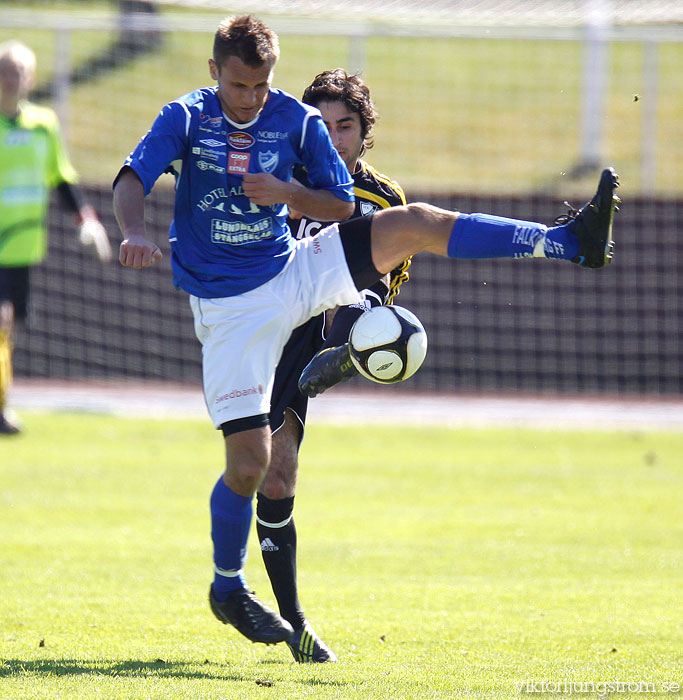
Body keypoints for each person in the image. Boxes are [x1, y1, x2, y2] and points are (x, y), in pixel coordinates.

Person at [113, 14, 620, 650]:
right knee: (251, 465)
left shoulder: (293, 120)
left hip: (293, 272)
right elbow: (132, 177)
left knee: (417, 221)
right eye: (240, 85)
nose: (251, 98)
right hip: (230, 310)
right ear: (215, 72)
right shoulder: (185, 118)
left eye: (262, 85)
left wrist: (290, 195)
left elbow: (343, 204)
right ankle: (227, 585)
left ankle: (566, 242)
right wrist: (134, 230)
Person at [257, 69, 411, 663]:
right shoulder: (282, 181)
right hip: (267, 335)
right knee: (271, 474)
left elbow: (386, 281)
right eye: (322, 126)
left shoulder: (384, 200)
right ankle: (289, 618)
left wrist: (367, 328)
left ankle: (344, 359)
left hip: (328, 332)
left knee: (278, 475)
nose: (335, 137)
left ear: (363, 131)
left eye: (345, 126)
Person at [0, 40, 111, 435]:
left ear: (29, 78)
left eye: (17, 72)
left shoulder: (43, 124)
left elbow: (61, 177)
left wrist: (86, 218)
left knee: (8, 330)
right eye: (4, 72)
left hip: (23, 247)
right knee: (2, 321)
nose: (11, 80)